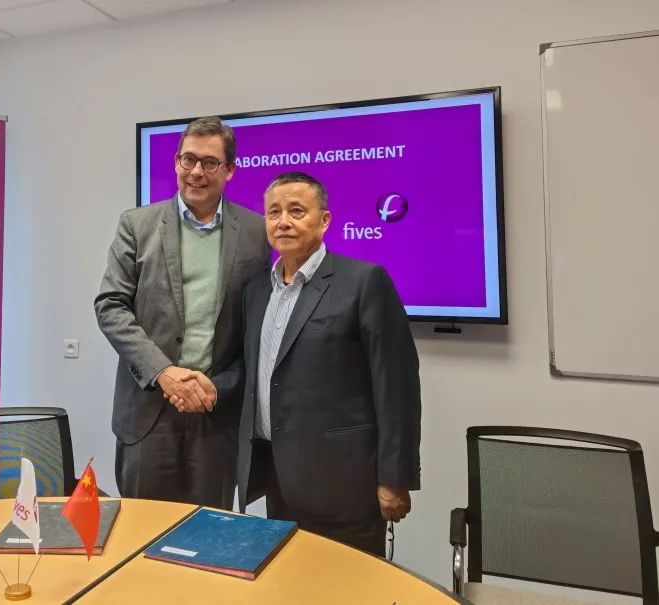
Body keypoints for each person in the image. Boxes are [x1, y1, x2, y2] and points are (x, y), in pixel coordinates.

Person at [234, 171, 421, 555]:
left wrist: (394, 476)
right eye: (273, 212)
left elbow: (397, 387)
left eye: (296, 211)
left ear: (324, 220)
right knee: (287, 578)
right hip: (278, 478)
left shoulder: (364, 282)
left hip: (344, 484)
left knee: (348, 583)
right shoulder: (256, 291)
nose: (283, 221)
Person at [95, 116, 269, 508]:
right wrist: (163, 372)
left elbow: (255, 329)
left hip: (214, 414)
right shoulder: (137, 225)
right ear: (176, 162)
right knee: (143, 532)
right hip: (148, 415)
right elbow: (110, 305)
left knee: (208, 535)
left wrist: (218, 387)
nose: (196, 171)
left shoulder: (256, 233)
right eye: (188, 159)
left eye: (209, 162)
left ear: (229, 169)